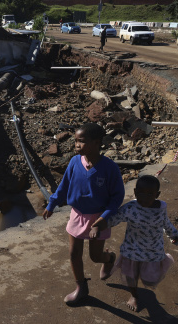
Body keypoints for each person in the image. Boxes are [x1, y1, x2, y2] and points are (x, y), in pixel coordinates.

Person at [42, 123, 125, 305]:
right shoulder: (74, 162)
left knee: (95, 256)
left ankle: (109, 258)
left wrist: (104, 219)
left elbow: (117, 197)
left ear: (96, 143)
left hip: (99, 218)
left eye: (81, 142)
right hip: (78, 214)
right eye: (75, 141)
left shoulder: (110, 168)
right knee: (74, 253)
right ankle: (81, 287)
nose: (76, 145)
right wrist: (52, 203)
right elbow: (64, 187)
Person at [90, 175, 178, 312]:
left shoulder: (161, 208)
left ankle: (136, 286)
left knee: (149, 280)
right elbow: (115, 218)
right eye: (141, 193)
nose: (145, 197)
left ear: (157, 195)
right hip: (132, 250)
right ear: (135, 192)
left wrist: (174, 236)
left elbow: (166, 224)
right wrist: (98, 226)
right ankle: (134, 295)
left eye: (149, 194)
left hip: (153, 251)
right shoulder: (130, 208)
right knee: (131, 276)